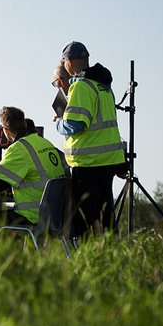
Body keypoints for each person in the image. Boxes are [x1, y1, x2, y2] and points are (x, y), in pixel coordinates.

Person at [53, 41, 127, 237]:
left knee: (85, 221)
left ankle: (87, 260)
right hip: (108, 161)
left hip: (87, 163)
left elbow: (76, 124)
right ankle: (110, 256)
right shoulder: (102, 86)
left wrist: (59, 122)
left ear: (68, 62)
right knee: (105, 217)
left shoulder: (81, 86)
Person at [0, 106, 68, 227]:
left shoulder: (19, 148)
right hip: (56, 216)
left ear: (5, 131)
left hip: (33, 216)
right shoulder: (45, 142)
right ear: (24, 123)